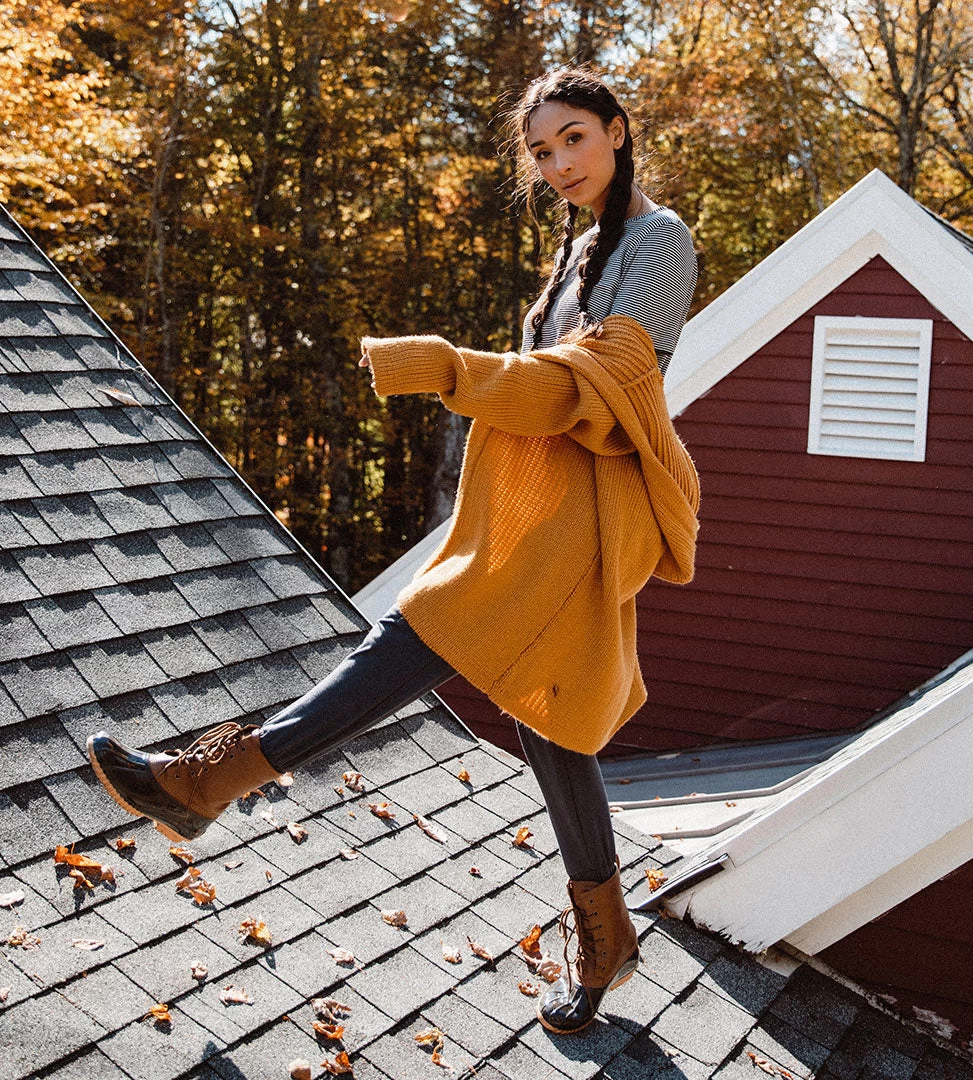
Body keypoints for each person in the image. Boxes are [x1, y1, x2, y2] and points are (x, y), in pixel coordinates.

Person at [87, 67, 700, 1035]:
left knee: (404, 644)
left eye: (574, 139)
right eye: (541, 151)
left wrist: (448, 368)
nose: (557, 164)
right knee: (554, 732)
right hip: (531, 521)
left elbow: (579, 392)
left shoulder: (663, 242)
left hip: (574, 529)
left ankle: (209, 782)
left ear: (619, 131)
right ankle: (608, 939)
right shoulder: (583, 249)